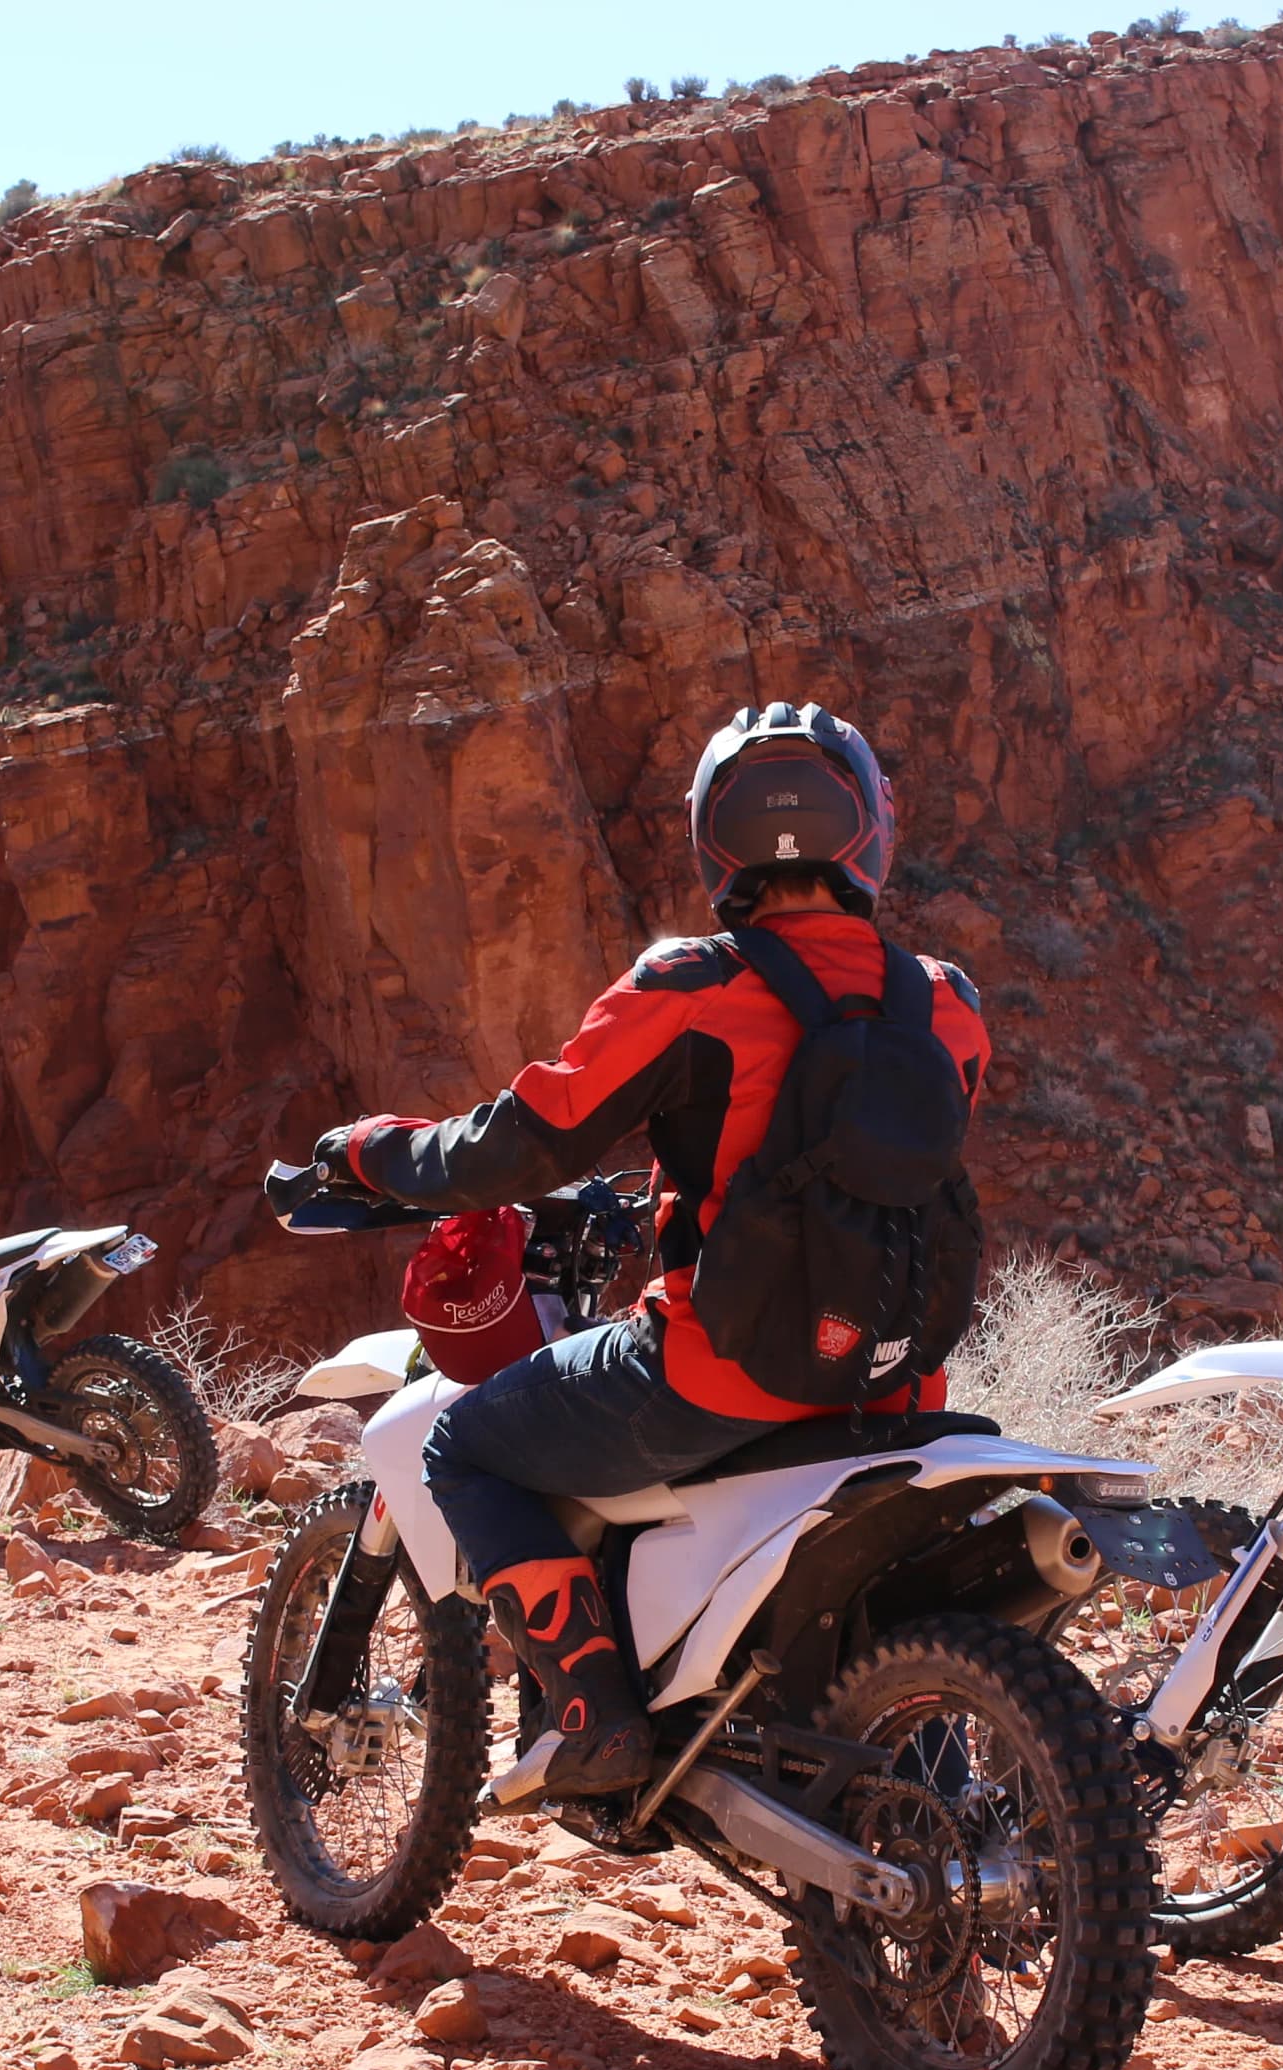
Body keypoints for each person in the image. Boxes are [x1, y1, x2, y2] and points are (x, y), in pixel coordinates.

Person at [309, 704, 989, 1802]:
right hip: (893, 1377)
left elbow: (517, 1144)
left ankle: (595, 1711)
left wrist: (379, 1153)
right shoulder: (950, 1007)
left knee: (466, 1449)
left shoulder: (693, 987)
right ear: (868, 829)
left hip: (720, 1375)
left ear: (715, 843)